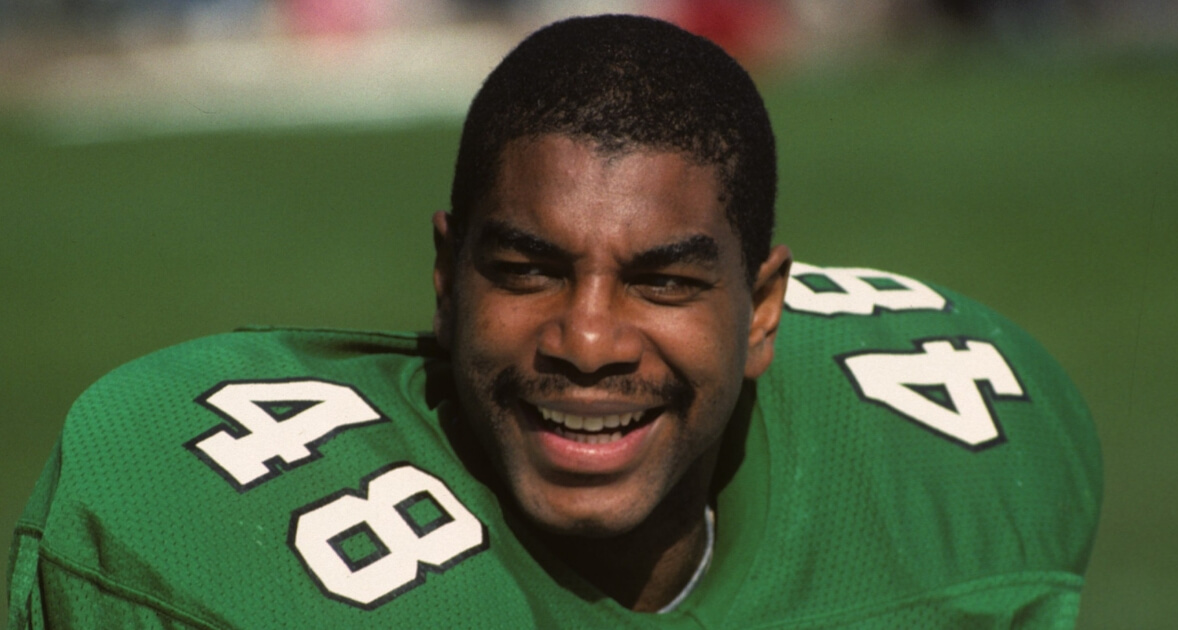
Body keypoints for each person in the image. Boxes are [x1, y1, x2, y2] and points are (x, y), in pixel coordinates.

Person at [6, 14, 1101, 629]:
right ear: (447, 273)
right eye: (528, 271)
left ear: (763, 308)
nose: (586, 341)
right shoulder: (198, 537)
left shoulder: (950, 493)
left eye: (664, 283)